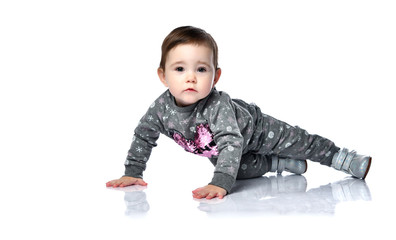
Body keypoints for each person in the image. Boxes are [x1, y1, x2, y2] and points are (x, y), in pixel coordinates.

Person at [106, 26, 372, 200]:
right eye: (179, 69)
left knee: (301, 142)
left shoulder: (215, 105)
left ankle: (343, 158)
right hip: (222, 152)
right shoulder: (160, 110)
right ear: (163, 76)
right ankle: (278, 164)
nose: (191, 77)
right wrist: (134, 171)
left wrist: (220, 182)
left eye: (201, 69)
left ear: (215, 76)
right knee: (240, 171)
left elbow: (232, 141)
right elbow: (143, 136)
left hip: (256, 131)